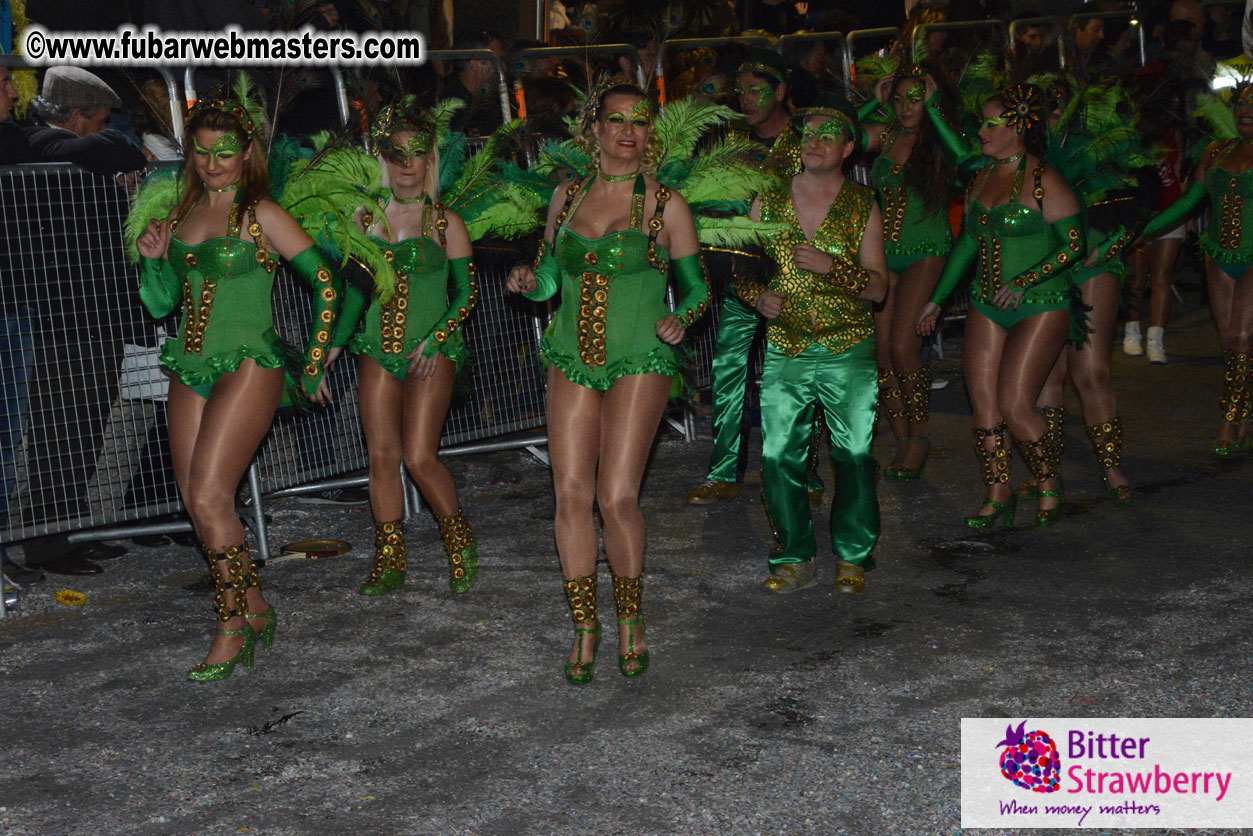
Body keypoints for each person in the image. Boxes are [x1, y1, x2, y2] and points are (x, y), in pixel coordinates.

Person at [132, 86, 343, 680]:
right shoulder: (180, 215)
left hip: (251, 361)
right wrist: (153, 258)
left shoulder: (262, 215)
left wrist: (316, 359)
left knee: (206, 497)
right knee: (199, 504)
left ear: (247, 151)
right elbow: (161, 304)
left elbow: (328, 285)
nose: (212, 162)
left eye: (225, 150)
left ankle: (229, 626)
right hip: (192, 365)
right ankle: (253, 609)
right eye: (200, 152)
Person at [506, 82, 710, 684]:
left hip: (640, 358)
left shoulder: (667, 205)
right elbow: (548, 282)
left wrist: (683, 318)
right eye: (615, 120)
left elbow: (697, 289)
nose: (628, 131)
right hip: (570, 357)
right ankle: (584, 628)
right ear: (592, 130)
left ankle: (630, 620)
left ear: (651, 134)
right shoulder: (565, 198)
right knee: (569, 494)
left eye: (639, 122)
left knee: (615, 497)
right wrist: (526, 279)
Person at [324, 103, 480, 596]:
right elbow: (353, 291)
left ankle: (459, 540)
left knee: (419, 457)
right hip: (376, 348)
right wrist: (332, 342)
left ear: (430, 159)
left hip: (432, 351)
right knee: (380, 458)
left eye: (417, 154)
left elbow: (467, 294)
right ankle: (390, 559)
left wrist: (437, 338)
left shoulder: (445, 222)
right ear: (382, 158)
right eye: (396, 153)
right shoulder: (364, 218)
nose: (406, 163)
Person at [917, 84, 1086, 529]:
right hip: (987, 303)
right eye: (982, 122)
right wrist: (935, 299)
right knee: (984, 405)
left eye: (992, 123)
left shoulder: (1044, 179)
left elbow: (1074, 245)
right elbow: (968, 243)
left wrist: (1025, 279)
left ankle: (1049, 481)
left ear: (1019, 129)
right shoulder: (980, 177)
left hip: (1042, 303)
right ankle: (998, 492)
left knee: (1014, 404)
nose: (982, 131)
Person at [737, 97, 888, 595]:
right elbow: (740, 269)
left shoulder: (862, 203)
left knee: (855, 454)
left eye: (829, 135)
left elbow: (879, 288)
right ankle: (794, 555)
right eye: (809, 133)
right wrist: (758, 296)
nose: (815, 141)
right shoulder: (769, 198)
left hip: (848, 347)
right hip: (787, 346)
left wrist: (833, 267)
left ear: (848, 148)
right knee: (779, 457)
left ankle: (852, 555)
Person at [688, 49, 809, 506]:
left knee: (795, 375)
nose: (746, 99)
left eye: (756, 90)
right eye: (740, 91)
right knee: (728, 366)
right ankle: (723, 472)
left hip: (796, 272)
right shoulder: (732, 143)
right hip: (743, 271)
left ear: (780, 92)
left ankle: (802, 472)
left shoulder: (806, 143)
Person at [1138, 81, 1253, 455]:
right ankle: (1245, 407)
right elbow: (1188, 201)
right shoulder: (1216, 151)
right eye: (1239, 103)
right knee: (1229, 342)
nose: (1244, 110)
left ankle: (1230, 417)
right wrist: (1142, 230)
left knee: (1241, 337)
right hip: (1217, 256)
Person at [858, 69, 955, 481]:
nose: (906, 107)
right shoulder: (885, 133)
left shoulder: (940, 142)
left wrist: (935, 110)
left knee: (902, 346)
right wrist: (872, 102)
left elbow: (967, 156)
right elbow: (840, 131)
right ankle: (901, 440)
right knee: (880, 353)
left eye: (915, 98)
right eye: (898, 100)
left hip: (926, 251)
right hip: (886, 255)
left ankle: (919, 438)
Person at [25, 66, 146, 178]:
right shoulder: (42, 141)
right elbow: (98, 145)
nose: (104, 129)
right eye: (101, 122)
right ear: (75, 116)